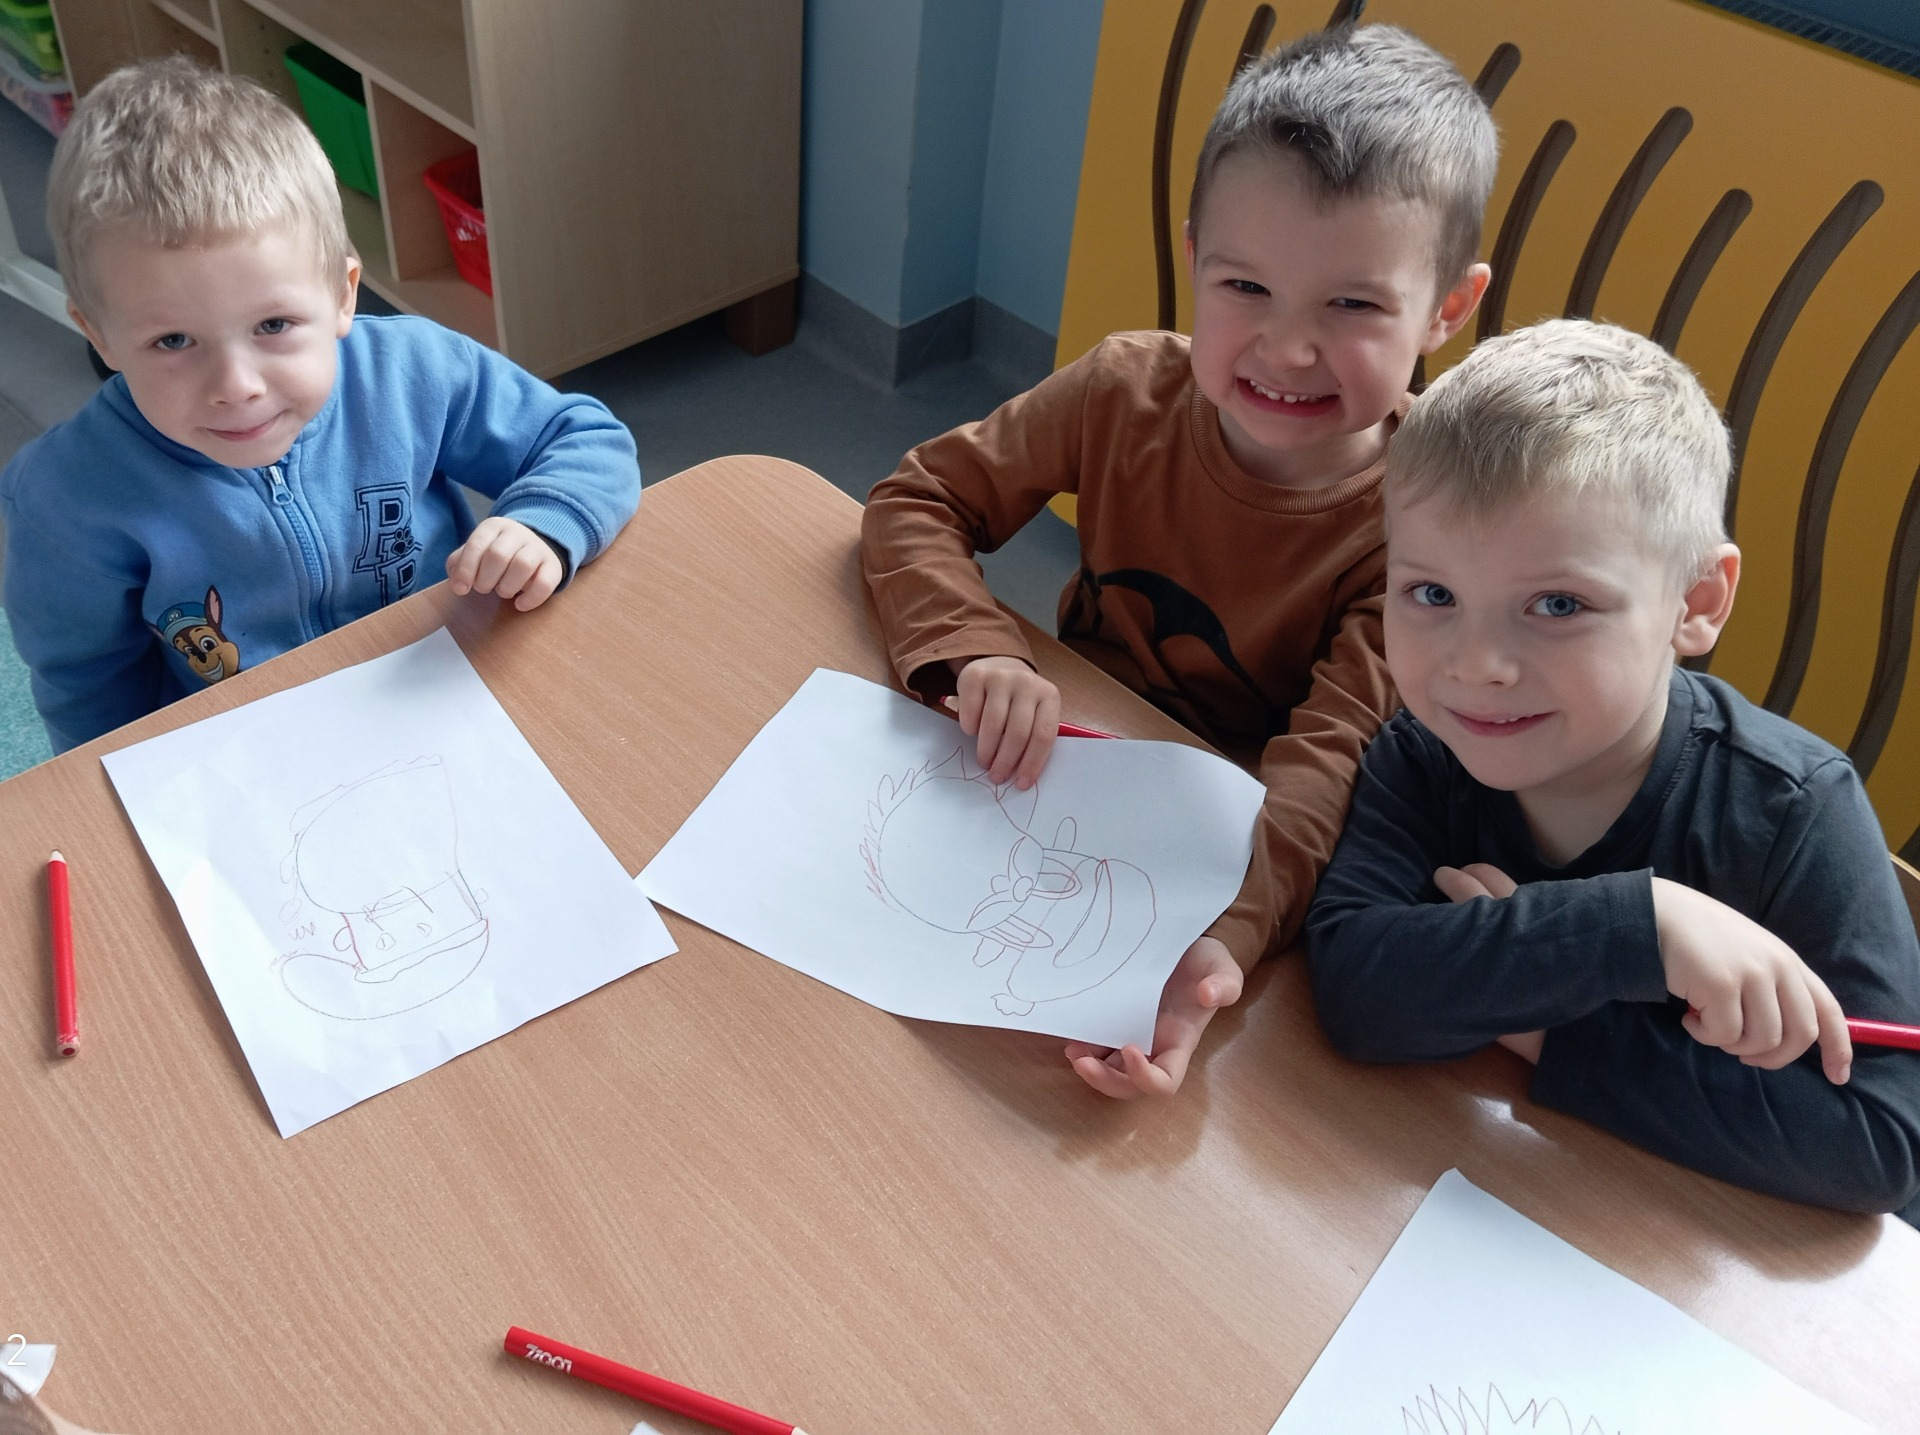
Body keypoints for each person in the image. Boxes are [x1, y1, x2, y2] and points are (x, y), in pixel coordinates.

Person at [861, 24, 1495, 1096]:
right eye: (1245, 286)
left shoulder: (1426, 531)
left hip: (1217, 868)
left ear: (1447, 309)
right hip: (1036, 787)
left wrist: (1223, 943)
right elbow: (920, 498)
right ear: (1196, 258)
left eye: (1351, 305)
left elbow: (1324, 774)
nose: (1287, 349)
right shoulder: (1123, 389)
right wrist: (976, 648)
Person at [1307, 319, 1920, 1221]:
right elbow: (1357, 987)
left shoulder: (1797, 812)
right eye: (1431, 593)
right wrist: (1639, 926)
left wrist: (1533, 1005)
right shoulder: (1425, 751)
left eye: (1558, 604)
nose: (1477, 665)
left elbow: (1880, 1143)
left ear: (1696, 603)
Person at [1, 58, 640, 752]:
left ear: (342, 294)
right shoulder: (65, 496)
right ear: (98, 333)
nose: (237, 384)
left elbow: (584, 438)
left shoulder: (412, 370)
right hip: (249, 752)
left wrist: (542, 525)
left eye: (273, 325)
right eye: (173, 340)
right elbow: (86, 688)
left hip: (447, 689)